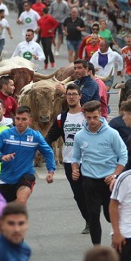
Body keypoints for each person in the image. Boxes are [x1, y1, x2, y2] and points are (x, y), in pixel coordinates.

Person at [72, 100, 127, 245]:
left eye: (95, 117)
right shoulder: (80, 136)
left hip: (109, 180)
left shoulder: (112, 134)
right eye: (89, 118)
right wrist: (75, 169)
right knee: (93, 216)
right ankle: (97, 248)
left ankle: (120, 238)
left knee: (110, 216)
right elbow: (75, 157)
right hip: (89, 180)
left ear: (100, 115)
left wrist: (115, 175)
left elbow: (123, 156)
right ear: (84, 117)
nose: (92, 121)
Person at [0, 105, 55, 204]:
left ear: (30, 121)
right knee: (6, 215)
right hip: (6, 178)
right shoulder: (5, 135)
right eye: (18, 119)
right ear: (14, 119)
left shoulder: (35, 136)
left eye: (24, 119)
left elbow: (48, 152)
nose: (20, 122)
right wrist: (2, 157)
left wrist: (51, 171)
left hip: (25, 175)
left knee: (21, 202)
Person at [45, 84, 88, 234]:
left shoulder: (87, 116)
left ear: (80, 96)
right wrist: (39, 148)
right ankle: (89, 220)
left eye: (74, 94)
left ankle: (93, 219)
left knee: (90, 192)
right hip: (70, 161)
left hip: (88, 162)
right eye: (69, 94)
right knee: (78, 195)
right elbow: (50, 137)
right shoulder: (61, 118)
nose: (71, 97)